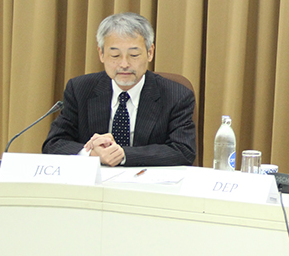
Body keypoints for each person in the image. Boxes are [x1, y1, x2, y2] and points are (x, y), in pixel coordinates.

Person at [42, 12, 196, 167]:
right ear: (101, 54)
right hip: (94, 186)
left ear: (150, 53)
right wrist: (91, 153)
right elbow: (54, 143)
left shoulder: (176, 95)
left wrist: (123, 154)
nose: (124, 64)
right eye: (115, 55)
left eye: (134, 55)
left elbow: (183, 151)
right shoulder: (80, 89)